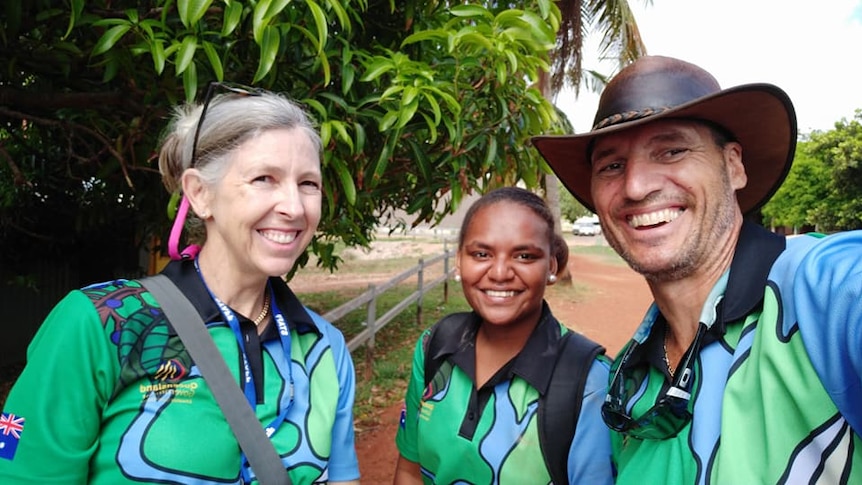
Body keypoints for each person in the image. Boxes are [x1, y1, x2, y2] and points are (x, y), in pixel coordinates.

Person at [0, 82, 360, 484]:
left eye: (308, 184)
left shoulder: (324, 349)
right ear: (200, 194)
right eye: (264, 179)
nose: (294, 207)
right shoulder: (100, 325)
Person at [532, 55, 862, 483]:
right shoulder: (627, 387)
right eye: (612, 165)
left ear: (733, 165)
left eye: (672, 151)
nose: (635, 186)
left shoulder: (824, 291)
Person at [393, 186, 613, 484]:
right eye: (481, 253)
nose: (499, 272)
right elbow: (409, 470)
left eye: (524, 256)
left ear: (551, 266)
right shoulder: (435, 345)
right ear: (459, 261)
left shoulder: (589, 381)